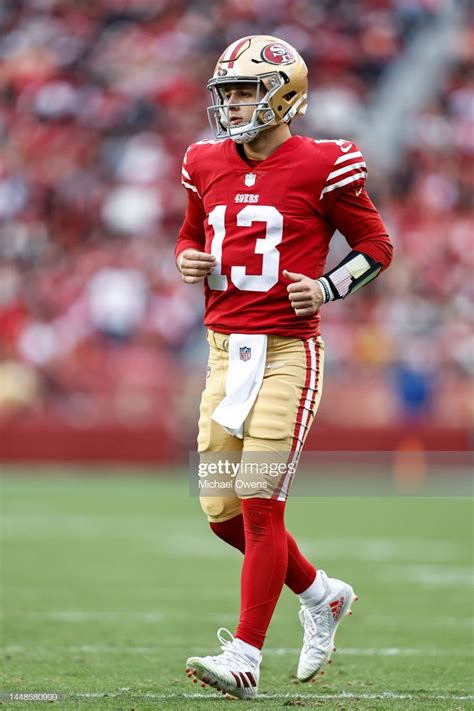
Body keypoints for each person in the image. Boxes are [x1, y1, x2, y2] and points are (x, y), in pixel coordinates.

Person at [175, 35, 393, 700]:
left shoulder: (327, 162)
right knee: (221, 513)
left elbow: (376, 246)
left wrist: (326, 287)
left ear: (285, 94)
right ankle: (323, 594)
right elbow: (191, 232)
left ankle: (245, 655)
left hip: (285, 355)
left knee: (261, 506)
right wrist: (188, 258)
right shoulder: (202, 159)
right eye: (228, 92)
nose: (234, 103)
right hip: (223, 352)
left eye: (246, 89)